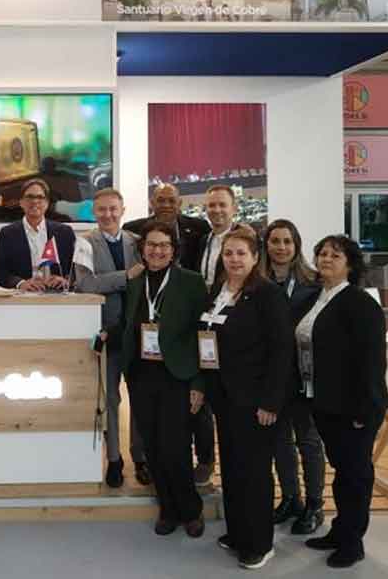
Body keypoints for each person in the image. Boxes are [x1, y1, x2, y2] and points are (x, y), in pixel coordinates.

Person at [105, 221, 208, 538]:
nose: (157, 250)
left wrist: (199, 383)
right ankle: (167, 508)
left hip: (177, 374)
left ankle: (190, 510)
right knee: (152, 446)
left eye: (164, 245)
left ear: (173, 251)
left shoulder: (191, 282)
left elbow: (203, 334)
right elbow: (129, 322)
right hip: (141, 374)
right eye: (151, 244)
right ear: (142, 249)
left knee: (175, 446)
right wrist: (107, 334)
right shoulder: (136, 281)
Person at [202, 226, 292, 570]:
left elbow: (281, 351)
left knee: (254, 471)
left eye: (241, 253)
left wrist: (271, 402)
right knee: (233, 466)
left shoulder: (268, 294)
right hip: (224, 397)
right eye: (229, 253)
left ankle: (259, 542)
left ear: (255, 258)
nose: (234, 259)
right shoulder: (218, 290)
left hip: (256, 400)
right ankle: (239, 531)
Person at [300, 235, 388, 569]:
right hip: (325, 401)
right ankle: (340, 530)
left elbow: (372, 361)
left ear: (350, 264)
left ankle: (353, 542)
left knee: (356, 474)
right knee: (342, 471)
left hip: (355, 407)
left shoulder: (360, 303)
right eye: (322, 253)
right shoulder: (316, 297)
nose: (326, 259)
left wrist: (365, 408)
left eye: (335, 255)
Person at [75, 189, 149, 487]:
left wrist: (115, 281)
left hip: (138, 333)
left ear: (123, 210)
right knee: (110, 399)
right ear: (94, 212)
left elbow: (147, 280)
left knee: (140, 397)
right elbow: (85, 284)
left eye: (113, 209)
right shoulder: (84, 243)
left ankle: (140, 458)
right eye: (102, 210)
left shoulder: (137, 241)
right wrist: (125, 277)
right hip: (106, 331)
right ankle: (115, 460)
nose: (108, 215)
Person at [260, 220, 326, 534]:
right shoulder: (257, 282)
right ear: (266, 244)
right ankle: (290, 498)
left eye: (287, 241)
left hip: (304, 374)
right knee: (279, 441)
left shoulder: (314, 283)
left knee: (308, 441)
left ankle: (315, 504)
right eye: (275, 241)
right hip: (271, 375)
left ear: (296, 245)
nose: (281, 247)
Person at [189, 184, 240, 486]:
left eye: (222, 205)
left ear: (234, 208)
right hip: (204, 325)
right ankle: (206, 460)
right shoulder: (202, 240)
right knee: (202, 396)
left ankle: (234, 464)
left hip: (232, 328)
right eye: (212, 206)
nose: (217, 210)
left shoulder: (245, 241)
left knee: (229, 400)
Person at [0, 179, 75, 291]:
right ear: (21, 202)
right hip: (24, 296)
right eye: (29, 197)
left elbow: (76, 270)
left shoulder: (64, 232)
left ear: (47, 203)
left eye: (40, 197)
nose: (35, 201)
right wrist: (21, 283)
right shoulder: (8, 233)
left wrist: (65, 280)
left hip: (57, 295)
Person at [123, 182, 210, 271]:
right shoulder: (133, 229)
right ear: (152, 203)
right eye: (160, 200)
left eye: (172, 201)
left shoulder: (200, 227)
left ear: (179, 203)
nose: (166, 205)